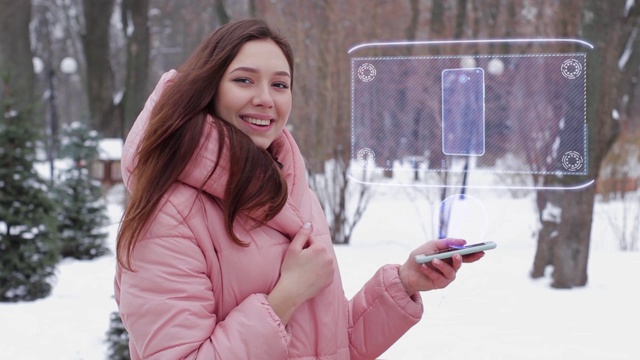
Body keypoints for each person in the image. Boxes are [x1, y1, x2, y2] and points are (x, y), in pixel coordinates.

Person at [114, 18, 485, 360]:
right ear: (207, 90)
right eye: (244, 80)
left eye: (280, 84)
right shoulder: (168, 218)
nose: (265, 98)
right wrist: (286, 296)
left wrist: (405, 282)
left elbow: (332, 346)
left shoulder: (291, 193)